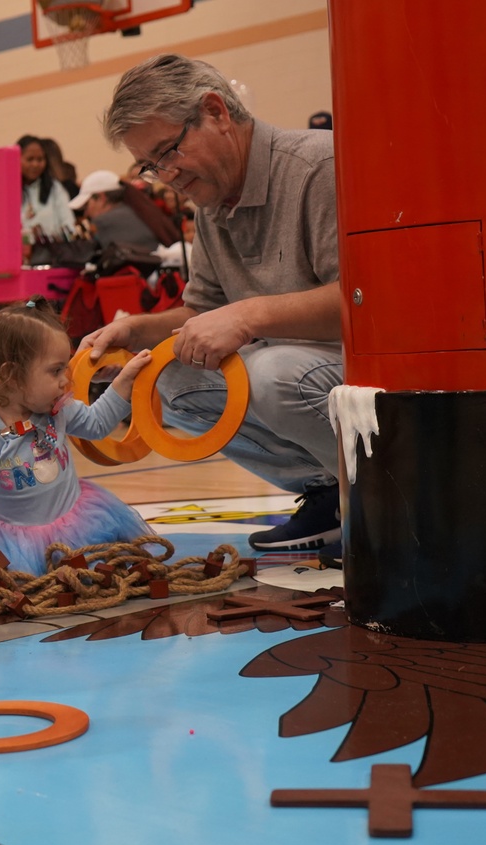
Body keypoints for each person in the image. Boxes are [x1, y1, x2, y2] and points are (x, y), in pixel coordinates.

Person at [81, 54, 343, 565]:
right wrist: (138, 330)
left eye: (167, 151)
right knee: (164, 373)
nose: (165, 175)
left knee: (271, 372)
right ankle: (330, 494)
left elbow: (365, 302)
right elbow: (202, 312)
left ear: (216, 111)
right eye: (151, 165)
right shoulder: (212, 203)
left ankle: (381, 499)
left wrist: (249, 318)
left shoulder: (320, 168)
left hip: (363, 378)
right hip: (300, 376)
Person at [0, 297, 153, 607]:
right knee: (16, 587)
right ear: (10, 376)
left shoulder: (59, 409)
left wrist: (125, 380)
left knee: (103, 571)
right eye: (56, 370)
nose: (65, 380)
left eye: (65, 368)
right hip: (16, 542)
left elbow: (96, 424)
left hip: (78, 526)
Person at [69, 169, 180, 253]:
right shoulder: (135, 210)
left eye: (87, 205)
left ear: (101, 198)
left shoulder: (103, 221)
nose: (86, 213)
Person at [18, 135, 75, 243]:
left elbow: (68, 223)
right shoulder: (8, 190)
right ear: (17, 158)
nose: (35, 164)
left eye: (40, 159)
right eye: (30, 159)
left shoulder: (55, 188)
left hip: (53, 252)